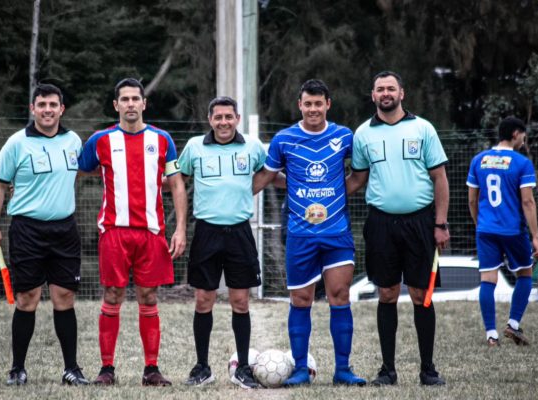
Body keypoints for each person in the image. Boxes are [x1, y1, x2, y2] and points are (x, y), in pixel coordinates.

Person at [253, 79, 366, 387]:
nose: (313, 109)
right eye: (308, 103)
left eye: (319, 103)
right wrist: (238, 199)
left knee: (339, 296)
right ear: (299, 105)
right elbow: (267, 175)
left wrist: (338, 194)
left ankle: (343, 369)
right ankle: (301, 369)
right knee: (301, 299)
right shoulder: (284, 139)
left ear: (328, 104)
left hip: (337, 232)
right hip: (300, 235)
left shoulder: (344, 136)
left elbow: (359, 174)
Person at [78, 78, 187, 387]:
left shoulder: (162, 139)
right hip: (114, 231)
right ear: (116, 105)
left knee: (149, 297)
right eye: (123, 99)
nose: (129, 104)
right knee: (112, 294)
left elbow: (177, 183)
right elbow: (78, 168)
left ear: (144, 103)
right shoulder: (100, 141)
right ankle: (106, 369)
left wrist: (179, 229)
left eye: (134, 99)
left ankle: (151, 369)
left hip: (151, 233)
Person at [347, 71, 449, 386]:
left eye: (391, 88)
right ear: (373, 95)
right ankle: (387, 371)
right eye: (380, 89)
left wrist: (441, 223)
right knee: (387, 293)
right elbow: (358, 180)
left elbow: (440, 178)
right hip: (381, 223)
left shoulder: (423, 128)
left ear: (402, 93)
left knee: (422, 295)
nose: (386, 93)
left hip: (420, 222)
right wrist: (321, 194)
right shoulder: (363, 133)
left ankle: (428, 370)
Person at [0, 83, 88, 386]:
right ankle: (17, 369)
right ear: (33, 109)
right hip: (27, 230)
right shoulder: (17, 143)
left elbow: (86, 171)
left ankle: (71, 369)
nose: (47, 110)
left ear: (61, 109)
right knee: (27, 297)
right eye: (41, 104)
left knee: (64, 297)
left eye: (53, 105)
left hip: (65, 229)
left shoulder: (73, 141)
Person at [178, 96, 277, 389]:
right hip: (206, 231)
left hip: (240, 232)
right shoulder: (195, 147)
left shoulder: (252, 147)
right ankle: (202, 367)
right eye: (218, 117)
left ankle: (243, 368)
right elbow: (177, 180)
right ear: (210, 120)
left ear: (237, 119)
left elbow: (267, 173)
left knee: (240, 301)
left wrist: (252, 190)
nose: (223, 122)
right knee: (203, 299)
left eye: (228, 117)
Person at [467, 116, 538, 347]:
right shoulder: (521, 163)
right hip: (512, 230)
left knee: (487, 279)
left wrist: (480, 224)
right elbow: (528, 202)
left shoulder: (478, 160)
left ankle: (491, 334)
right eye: (523, 135)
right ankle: (513, 323)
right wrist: (536, 237)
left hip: (486, 229)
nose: (524, 139)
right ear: (515, 134)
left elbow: (472, 200)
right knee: (525, 274)